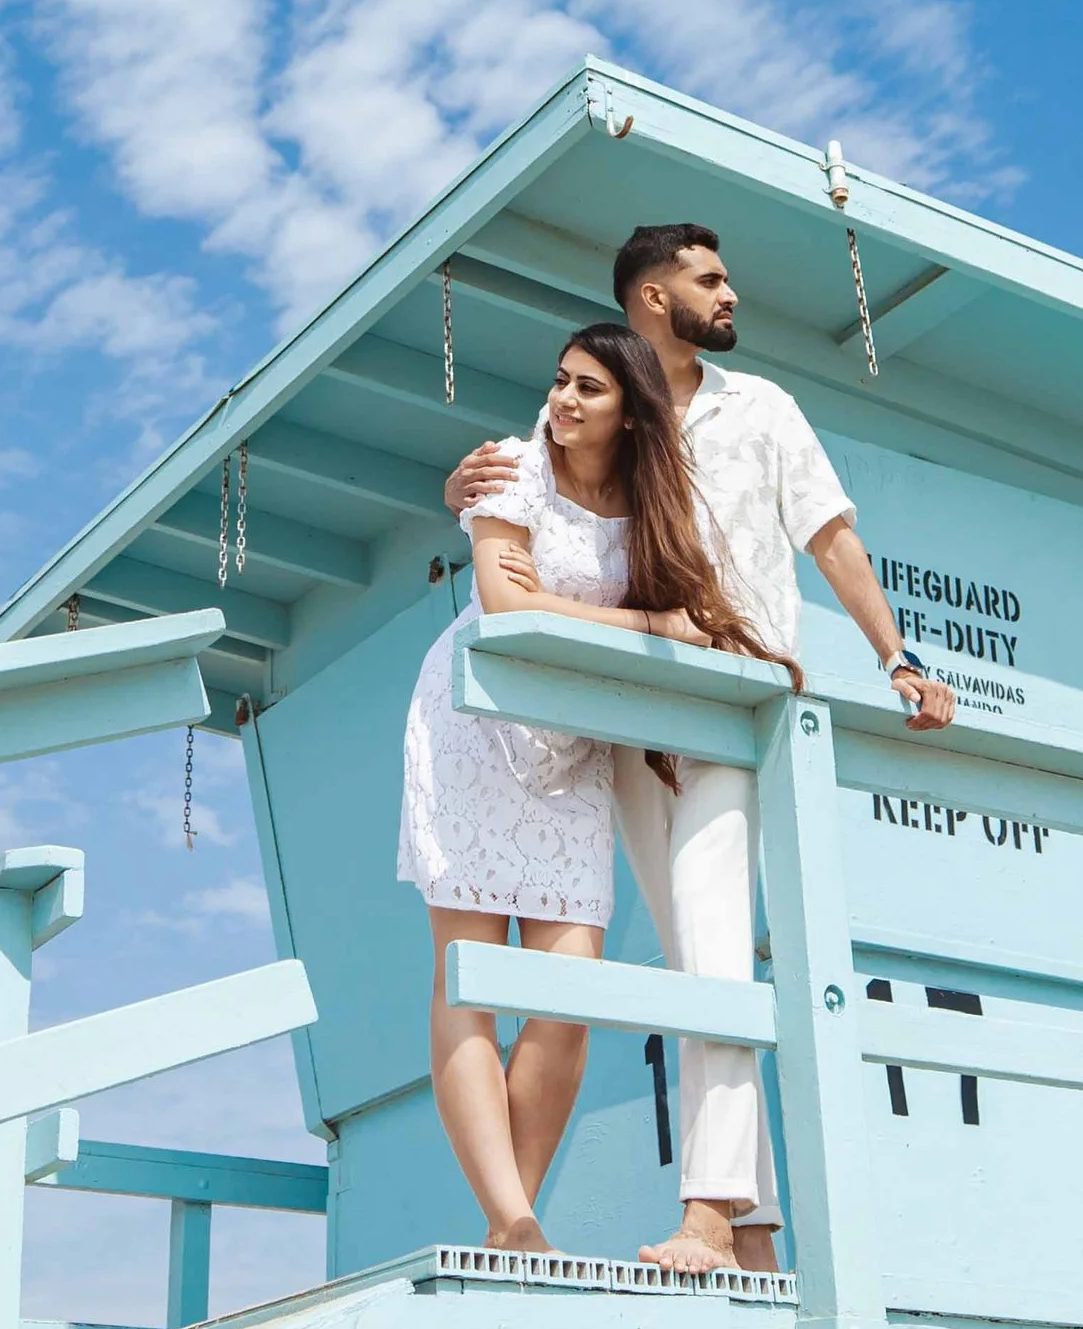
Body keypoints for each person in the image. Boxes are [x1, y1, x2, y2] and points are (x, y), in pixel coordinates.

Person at [447, 222, 956, 1275]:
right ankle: (758, 1227)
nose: (730, 295)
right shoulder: (599, 414)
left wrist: (897, 656)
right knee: (691, 958)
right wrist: (460, 489)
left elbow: (828, 534)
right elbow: (516, 504)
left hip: (734, 696)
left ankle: (713, 1210)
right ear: (650, 301)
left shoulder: (759, 406)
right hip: (629, 715)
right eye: (708, 280)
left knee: (717, 934)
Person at [398, 321, 774, 1256]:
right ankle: (517, 1223)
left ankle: (505, 1223)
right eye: (560, 380)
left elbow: (692, 618)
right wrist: (645, 623)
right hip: (474, 728)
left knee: (567, 994)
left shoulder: (654, 507)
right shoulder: (512, 468)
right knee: (468, 977)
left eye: (589, 390)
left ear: (633, 413)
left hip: (572, 755)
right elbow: (507, 604)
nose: (564, 401)